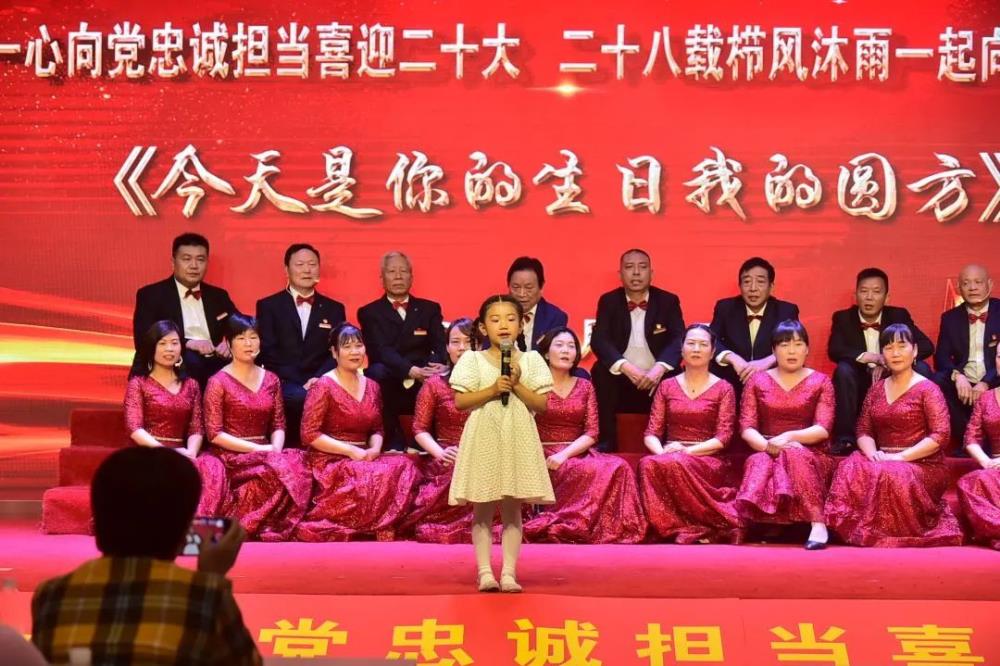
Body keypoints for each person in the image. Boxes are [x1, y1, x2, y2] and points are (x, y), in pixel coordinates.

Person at [31, 447, 260, 665]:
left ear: (98, 522)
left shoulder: (52, 595)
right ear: (185, 531)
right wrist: (211, 577)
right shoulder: (207, 597)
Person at [449, 295, 554, 593]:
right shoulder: (472, 359)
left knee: (512, 506)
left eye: (510, 319)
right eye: (495, 320)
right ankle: (485, 572)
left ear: (522, 325)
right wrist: (493, 389)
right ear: (483, 328)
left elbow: (542, 404)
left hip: (517, 435)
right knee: (482, 505)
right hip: (484, 434)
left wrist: (516, 384)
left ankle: (509, 572)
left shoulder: (531, 360)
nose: (503, 325)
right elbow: (460, 401)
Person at [826, 324, 964, 547]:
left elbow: (940, 436)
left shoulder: (928, 389)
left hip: (922, 463)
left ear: (915, 350)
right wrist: (873, 454)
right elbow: (863, 430)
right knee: (851, 467)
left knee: (892, 473)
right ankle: (857, 530)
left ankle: (888, 532)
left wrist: (900, 458)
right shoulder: (876, 389)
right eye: (889, 348)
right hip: (883, 457)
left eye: (902, 346)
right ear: (882, 354)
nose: (896, 353)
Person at [294, 323, 420, 541]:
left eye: (358, 346)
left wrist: (375, 448)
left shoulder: (372, 386)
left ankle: (380, 522)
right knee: (371, 474)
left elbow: (377, 428)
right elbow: (309, 434)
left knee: (406, 465)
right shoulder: (323, 385)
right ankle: (371, 524)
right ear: (334, 352)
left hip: (364, 455)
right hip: (330, 458)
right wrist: (350, 451)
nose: (354, 352)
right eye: (347, 347)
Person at [524, 327, 648, 543]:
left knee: (618, 467)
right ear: (546, 353)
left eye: (571, 346)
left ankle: (603, 526)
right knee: (579, 469)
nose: (566, 351)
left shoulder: (585, 386)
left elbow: (592, 432)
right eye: (559, 345)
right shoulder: (533, 386)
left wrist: (565, 454)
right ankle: (571, 520)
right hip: (540, 450)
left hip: (575, 450)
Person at [199, 315, 311, 541]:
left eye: (253, 337)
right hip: (231, 455)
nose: (249, 344)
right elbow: (214, 433)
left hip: (266, 450)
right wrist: (258, 450)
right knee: (271, 472)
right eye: (241, 338)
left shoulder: (271, 379)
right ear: (229, 343)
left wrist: (275, 449)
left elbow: (278, 423)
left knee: (296, 465)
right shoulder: (217, 382)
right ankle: (239, 526)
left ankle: (266, 525)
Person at [734, 320, 836, 550]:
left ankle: (818, 523)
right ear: (773, 350)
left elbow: (823, 429)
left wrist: (789, 437)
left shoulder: (821, 381)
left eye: (798, 344)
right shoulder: (757, 380)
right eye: (784, 345)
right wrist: (769, 447)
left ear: (807, 349)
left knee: (795, 455)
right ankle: (770, 522)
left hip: (809, 451)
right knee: (759, 461)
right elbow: (747, 427)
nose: (792, 351)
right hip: (767, 447)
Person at [638, 324, 744, 544]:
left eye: (703, 345)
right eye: (691, 343)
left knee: (676, 462)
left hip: (707, 457)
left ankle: (697, 525)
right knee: (648, 463)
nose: (696, 349)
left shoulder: (724, 388)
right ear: (682, 348)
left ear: (712, 352)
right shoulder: (666, 386)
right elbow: (651, 433)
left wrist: (686, 452)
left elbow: (723, 438)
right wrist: (662, 453)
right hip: (670, 454)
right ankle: (668, 526)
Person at [828, 268, 934, 455]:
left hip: (893, 378)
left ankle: (921, 438)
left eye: (876, 292)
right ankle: (845, 439)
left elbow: (926, 346)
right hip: (859, 380)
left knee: (923, 368)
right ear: (856, 295)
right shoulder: (843, 318)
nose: (869, 297)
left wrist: (890, 364)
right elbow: (835, 350)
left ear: (887, 298)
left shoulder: (898, 315)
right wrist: (871, 357)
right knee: (843, 370)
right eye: (864, 291)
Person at [591, 249, 685, 451]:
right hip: (623, 379)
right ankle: (607, 440)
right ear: (620, 274)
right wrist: (626, 368)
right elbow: (600, 340)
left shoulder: (668, 301)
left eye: (642, 267)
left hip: (657, 379)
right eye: (629, 267)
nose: (636, 272)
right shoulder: (609, 301)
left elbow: (678, 339)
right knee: (600, 371)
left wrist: (659, 369)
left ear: (651, 273)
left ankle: (668, 441)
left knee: (676, 374)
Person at [256, 243, 347, 446]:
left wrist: (318, 379)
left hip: (321, 379)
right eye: (300, 264)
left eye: (312, 264)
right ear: (286, 269)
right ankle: (294, 449)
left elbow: (337, 351)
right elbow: (268, 351)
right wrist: (298, 382)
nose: (307, 270)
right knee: (298, 397)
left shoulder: (334, 308)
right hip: (284, 379)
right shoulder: (268, 305)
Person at [358, 251, 448, 450]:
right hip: (392, 373)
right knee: (376, 372)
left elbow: (440, 344)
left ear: (411, 276)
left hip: (424, 373)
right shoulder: (369, 312)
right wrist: (410, 370)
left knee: (443, 376)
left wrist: (436, 366)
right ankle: (392, 439)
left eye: (403, 271)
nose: (398, 276)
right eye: (391, 271)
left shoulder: (430, 308)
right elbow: (380, 350)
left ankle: (426, 441)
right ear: (382, 278)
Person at [397, 318, 477, 543]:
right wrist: (441, 453)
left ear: (479, 346)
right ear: (447, 347)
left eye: (469, 342)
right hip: (447, 454)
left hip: (484, 454)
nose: (462, 348)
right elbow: (419, 428)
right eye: (455, 342)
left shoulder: (493, 384)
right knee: (455, 474)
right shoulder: (434, 384)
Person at [132, 233, 239, 387]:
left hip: (215, 363)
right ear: (173, 262)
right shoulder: (151, 295)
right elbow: (144, 340)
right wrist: (188, 343)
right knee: (192, 362)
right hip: (174, 363)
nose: (194, 266)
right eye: (187, 259)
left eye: (200, 259)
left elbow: (242, 325)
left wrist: (231, 342)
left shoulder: (218, 296)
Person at [934, 264, 1000, 450]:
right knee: (938, 380)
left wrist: (986, 382)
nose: (972, 288)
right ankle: (967, 443)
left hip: (995, 378)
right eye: (966, 283)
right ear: (959, 288)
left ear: (990, 285)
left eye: (978, 282)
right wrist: (958, 376)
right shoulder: (950, 318)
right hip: (965, 382)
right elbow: (941, 356)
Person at [710, 257, 799, 395]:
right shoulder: (725, 308)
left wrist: (768, 361)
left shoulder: (786, 311)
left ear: (771, 286)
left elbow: (795, 346)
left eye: (760, 282)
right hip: (731, 383)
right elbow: (711, 340)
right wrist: (733, 358)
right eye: (746, 282)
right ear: (740, 286)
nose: (753, 288)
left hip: (773, 384)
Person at [125, 320, 203, 459]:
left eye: (174, 343)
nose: (169, 349)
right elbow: (134, 428)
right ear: (151, 348)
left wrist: (191, 453)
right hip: (149, 453)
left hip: (183, 455)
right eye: (162, 343)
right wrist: (169, 453)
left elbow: (196, 428)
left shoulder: (191, 385)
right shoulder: (138, 383)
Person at [957, 344, 1000, 550]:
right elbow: (971, 438)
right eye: (999, 356)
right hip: (994, 465)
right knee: (970, 482)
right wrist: (986, 461)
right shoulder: (986, 398)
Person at [506, 256, 569, 351]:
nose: (522, 294)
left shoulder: (555, 317)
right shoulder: (495, 315)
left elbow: (552, 355)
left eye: (529, 288)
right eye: (516, 287)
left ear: (541, 287)